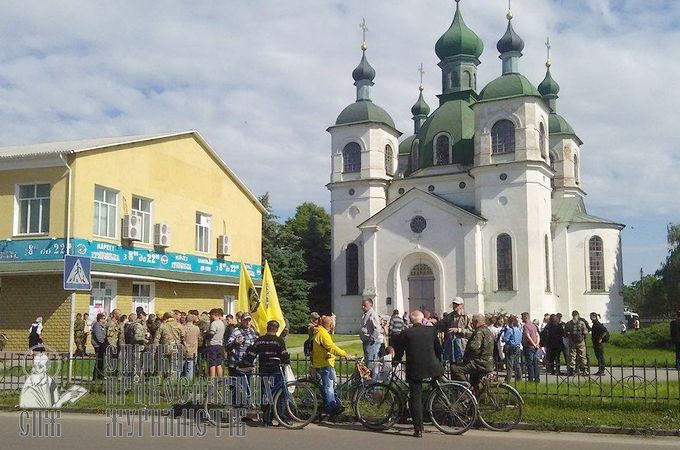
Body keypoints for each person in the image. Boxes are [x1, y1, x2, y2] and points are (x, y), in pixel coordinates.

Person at [394, 310, 444, 438]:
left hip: (415, 368)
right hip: (433, 367)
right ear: (422, 320)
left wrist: (396, 361)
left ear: (410, 321)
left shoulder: (406, 333)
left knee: (415, 398)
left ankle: (418, 429)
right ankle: (436, 410)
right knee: (436, 388)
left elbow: (399, 351)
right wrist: (438, 362)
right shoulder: (431, 331)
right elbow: (438, 349)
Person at [243, 320, 290, 426]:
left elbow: (252, 354)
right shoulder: (278, 341)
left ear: (267, 328)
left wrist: (246, 363)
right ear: (277, 329)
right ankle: (281, 418)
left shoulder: (260, 340)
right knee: (279, 393)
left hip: (263, 369)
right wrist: (286, 360)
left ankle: (266, 419)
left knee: (265, 393)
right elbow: (284, 355)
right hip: (275, 369)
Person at [312, 315, 350, 418]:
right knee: (329, 387)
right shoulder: (323, 334)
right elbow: (331, 347)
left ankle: (335, 405)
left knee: (332, 386)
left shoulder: (320, 332)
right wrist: (344, 354)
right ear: (330, 325)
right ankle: (331, 408)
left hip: (323, 362)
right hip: (325, 363)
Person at [450, 314, 495, 390]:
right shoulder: (487, 331)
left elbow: (474, 347)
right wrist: (461, 333)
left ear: (477, 322)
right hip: (488, 362)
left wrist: (467, 352)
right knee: (474, 382)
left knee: (455, 368)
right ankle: (475, 396)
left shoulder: (479, 332)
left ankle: (465, 390)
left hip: (479, 363)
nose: (471, 324)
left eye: (472, 322)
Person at [225, 312, 258, 405]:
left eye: (249, 320)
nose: (247, 322)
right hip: (237, 363)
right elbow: (227, 347)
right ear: (241, 321)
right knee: (238, 388)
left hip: (249, 364)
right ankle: (236, 408)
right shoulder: (236, 331)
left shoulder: (252, 331)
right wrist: (235, 343)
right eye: (245, 320)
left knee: (248, 388)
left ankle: (246, 408)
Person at [439, 298, 473, 374]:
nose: (455, 306)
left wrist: (459, 330)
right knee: (452, 365)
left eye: (457, 304)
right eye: (454, 304)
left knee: (461, 365)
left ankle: (462, 382)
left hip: (462, 344)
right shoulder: (449, 316)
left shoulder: (467, 316)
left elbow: (471, 332)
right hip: (451, 343)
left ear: (461, 305)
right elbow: (441, 325)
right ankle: (454, 383)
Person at [153, 311, 186, 377]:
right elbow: (183, 336)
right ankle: (171, 381)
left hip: (164, 347)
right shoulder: (179, 325)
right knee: (173, 366)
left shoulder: (162, 325)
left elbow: (156, 338)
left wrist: (155, 348)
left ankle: (159, 379)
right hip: (175, 347)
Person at [564, 310, 588, 376]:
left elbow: (565, 333)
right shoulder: (582, 323)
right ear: (578, 315)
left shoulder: (569, 323)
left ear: (572, 315)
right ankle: (584, 370)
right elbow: (586, 332)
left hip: (572, 341)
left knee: (572, 355)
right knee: (582, 355)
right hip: (581, 342)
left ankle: (572, 370)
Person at [359, 298, 381, 369]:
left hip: (371, 342)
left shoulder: (372, 314)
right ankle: (368, 377)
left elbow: (377, 328)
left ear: (371, 305)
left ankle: (372, 378)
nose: (363, 307)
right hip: (365, 341)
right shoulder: (365, 314)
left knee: (371, 362)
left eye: (365, 305)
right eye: (362, 305)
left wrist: (372, 338)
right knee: (367, 361)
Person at [205, 308, 226, 378]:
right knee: (219, 364)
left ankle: (212, 380)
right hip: (220, 344)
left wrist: (206, 335)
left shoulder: (214, 323)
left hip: (213, 345)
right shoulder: (222, 323)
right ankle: (220, 379)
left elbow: (212, 334)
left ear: (214, 315)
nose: (210, 316)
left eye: (210, 315)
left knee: (212, 364)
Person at [501, 315, 522, 382]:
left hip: (511, 347)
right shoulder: (519, 330)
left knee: (509, 364)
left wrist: (503, 338)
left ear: (511, 322)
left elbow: (506, 339)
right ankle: (519, 377)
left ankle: (508, 379)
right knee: (517, 363)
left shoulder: (510, 330)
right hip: (518, 347)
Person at [521, 312, 541, 382]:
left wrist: (533, 343)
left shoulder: (525, 326)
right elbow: (537, 335)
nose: (521, 319)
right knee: (536, 363)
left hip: (529, 346)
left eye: (522, 317)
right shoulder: (533, 325)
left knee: (530, 364)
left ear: (525, 318)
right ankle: (537, 378)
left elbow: (528, 336)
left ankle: (531, 379)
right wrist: (537, 343)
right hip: (535, 347)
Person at [182, 313, 201, 380]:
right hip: (193, 351)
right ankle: (188, 386)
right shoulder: (196, 328)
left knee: (180, 371)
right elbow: (199, 338)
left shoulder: (183, 328)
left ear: (186, 319)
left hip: (183, 351)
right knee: (190, 370)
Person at [91, 313, 108, 380]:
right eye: (103, 318)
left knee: (101, 360)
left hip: (101, 345)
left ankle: (100, 375)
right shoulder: (97, 325)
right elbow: (99, 336)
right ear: (100, 319)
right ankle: (95, 376)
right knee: (99, 360)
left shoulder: (102, 325)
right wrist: (103, 343)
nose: (105, 320)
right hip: (98, 345)